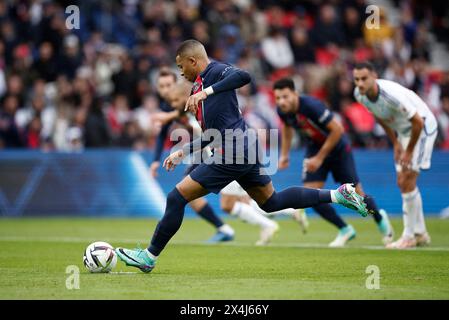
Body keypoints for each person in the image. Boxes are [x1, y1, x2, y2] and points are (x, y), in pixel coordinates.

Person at [115, 40, 369, 273]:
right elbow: (213, 133)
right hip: (243, 146)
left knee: (176, 197)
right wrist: (183, 151)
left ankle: (149, 256)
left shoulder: (214, 73)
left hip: (233, 150)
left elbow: (244, 76)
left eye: (181, 66)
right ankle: (339, 194)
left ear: (194, 61)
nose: (180, 72)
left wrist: (208, 92)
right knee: (271, 202)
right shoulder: (198, 88)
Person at [273, 78, 394, 247]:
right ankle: (345, 229)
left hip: (337, 148)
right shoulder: (282, 111)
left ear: (295, 93)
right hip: (315, 148)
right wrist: (284, 155)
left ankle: (380, 219)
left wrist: (320, 158)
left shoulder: (311, 106)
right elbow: (286, 128)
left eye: (285, 96)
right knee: (308, 195)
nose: (281, 102)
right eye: (278, 98)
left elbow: (338, 130)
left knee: (357, 194)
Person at [353, 61, 438, 249]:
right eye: (357, 79)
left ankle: (409, 236)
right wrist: (396, 142)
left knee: (407, 180)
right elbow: (379, 116)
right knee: (403, 182)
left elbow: (417, 122)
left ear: (374, 76)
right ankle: (421, 233)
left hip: (422, 128)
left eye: (364, 78)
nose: (360, 83)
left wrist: (408, 151)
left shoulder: (391, 95)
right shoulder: (360, 95)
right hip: (404, 132)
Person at [150, 68, 235, 243]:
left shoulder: (189, 98)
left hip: (214, 146)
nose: (166, 90)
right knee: (185, 194)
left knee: (244, 200)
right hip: (202, 148)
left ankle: (225, 228)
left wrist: (169, 116)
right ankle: (223, 228)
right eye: (162, 86)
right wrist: (155, 161)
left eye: (169, 85)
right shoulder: (170, 106)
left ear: (179, 86)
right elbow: (163, 133)